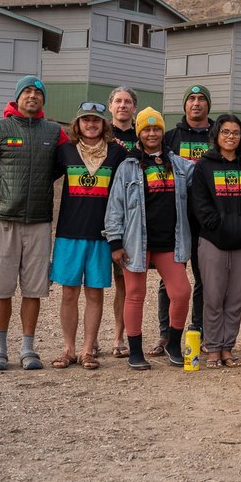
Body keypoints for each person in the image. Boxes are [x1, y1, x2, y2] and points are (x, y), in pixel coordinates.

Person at [0, 75, 68, 371]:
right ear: (17, 97)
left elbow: (72, 161)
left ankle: (28, 348)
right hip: (4, 219)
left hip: (39, 221)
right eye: (27, 91)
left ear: (43, 100)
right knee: (2, 287)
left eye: (38, 92)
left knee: (33, 288)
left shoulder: (54, 132)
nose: (32, 96)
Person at [105, 107, 196, 369]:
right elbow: (115, 207)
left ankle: (173, 343)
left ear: (162, 131)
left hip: (170, 242)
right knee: (135, 294)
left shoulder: (179, 164)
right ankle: (135, 350)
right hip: (136, 242)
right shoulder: (127, 167)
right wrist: (115, 242)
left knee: (181, 292)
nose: (152, 133)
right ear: (139, 132)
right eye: (147, 129)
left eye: (157, 128)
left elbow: (203, 176)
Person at [49, 101, 127, 370]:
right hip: (69, 234)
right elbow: (42, 179)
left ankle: (87, 350)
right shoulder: (65, 152)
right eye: (85, 120)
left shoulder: (117, 153)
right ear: (77, 124)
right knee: (69, 293)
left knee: (95, 293)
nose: (91, 124)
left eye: (96, 120)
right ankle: (68, 349)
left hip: (101, 235)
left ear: (104, 124)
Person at [190, 114, 241, 367]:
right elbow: (200, 204)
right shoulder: (203, 166)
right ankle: (212, 347)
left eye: (235, 132)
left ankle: (227, 348)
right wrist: (218, 226)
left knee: (235, 299)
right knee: (213, 297)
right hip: (213, 241)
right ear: (216, 135)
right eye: (225, 132)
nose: (230, 137)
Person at [155, 84, 212, 355]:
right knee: (169, 281)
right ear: (185, 104)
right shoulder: (170, 137)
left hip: (206, 222)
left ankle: (197, 331)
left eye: (202, 99)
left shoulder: (218, 134)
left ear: (208, 105)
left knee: (204, 280)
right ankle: (166, 335)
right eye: (191, 99)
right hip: (175, 221)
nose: (196, 103)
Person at [107, 86, 139, 359]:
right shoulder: (99, 134)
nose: (122, 105)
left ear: (134, 108)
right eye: (118, 101)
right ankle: (88, 341)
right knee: (92, 285)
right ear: (110, 106)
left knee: (124, 284)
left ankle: (119, 337)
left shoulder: (141, 137)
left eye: (128, 102)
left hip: (129, 219)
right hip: (98, 212)